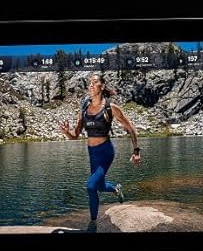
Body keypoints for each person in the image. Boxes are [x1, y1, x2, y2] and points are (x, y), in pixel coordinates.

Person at [58, 72, 141, 225]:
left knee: (91, 187)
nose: (90, 84)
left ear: (102, 87)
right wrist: (66, 132)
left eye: (94, 82)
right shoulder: (84, 107)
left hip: (105, 152)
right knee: (100, 186)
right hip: (92, 153)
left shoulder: (110, 108)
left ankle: (93, 225)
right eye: (90, 82)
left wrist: (136, 151)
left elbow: (130, 128)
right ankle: (116, 189)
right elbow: (75, 135)